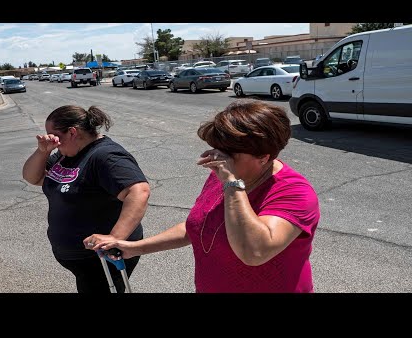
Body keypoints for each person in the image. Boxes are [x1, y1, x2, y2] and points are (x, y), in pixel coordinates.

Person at [88, 100, 320, 293]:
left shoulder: (293, 192)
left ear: (263, 156)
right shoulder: (228, 174)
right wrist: (134, 247)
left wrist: (231, 185)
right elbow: (200, 224)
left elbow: (254, 252)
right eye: (216, 148)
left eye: (227, 152)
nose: (217, 157)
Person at [22, 105, 150, 293]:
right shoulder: (65, 155)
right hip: (81, 260)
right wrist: (43, 151)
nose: (51, 140)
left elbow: (139, 191)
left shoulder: (105, 156)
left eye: (54, 135)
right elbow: (32, 177)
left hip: (100, 259)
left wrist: (115, 238)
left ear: (72, 132)